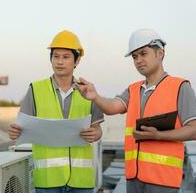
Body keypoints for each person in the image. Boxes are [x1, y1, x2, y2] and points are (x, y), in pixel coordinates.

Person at [77, 28, 196, 193]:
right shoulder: (133, 90)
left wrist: (158, 136)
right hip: (134, 179)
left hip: (164, 181)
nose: (138, 60)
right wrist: (95, 96)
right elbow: (112, 107)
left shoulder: (180, 87)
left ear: (160, 53)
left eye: (143, 54)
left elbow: (194, 130)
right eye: (135, 56)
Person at [8, 30, 104, 193]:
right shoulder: (35, 89)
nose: (60, 61)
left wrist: (95, 134)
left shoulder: (88, 91)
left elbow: (98, 130)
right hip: (47, 181)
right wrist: (14, 132)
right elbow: (21, 128)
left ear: (77, 61)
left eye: (66, 57)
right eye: (56, 56)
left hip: (81, 181)